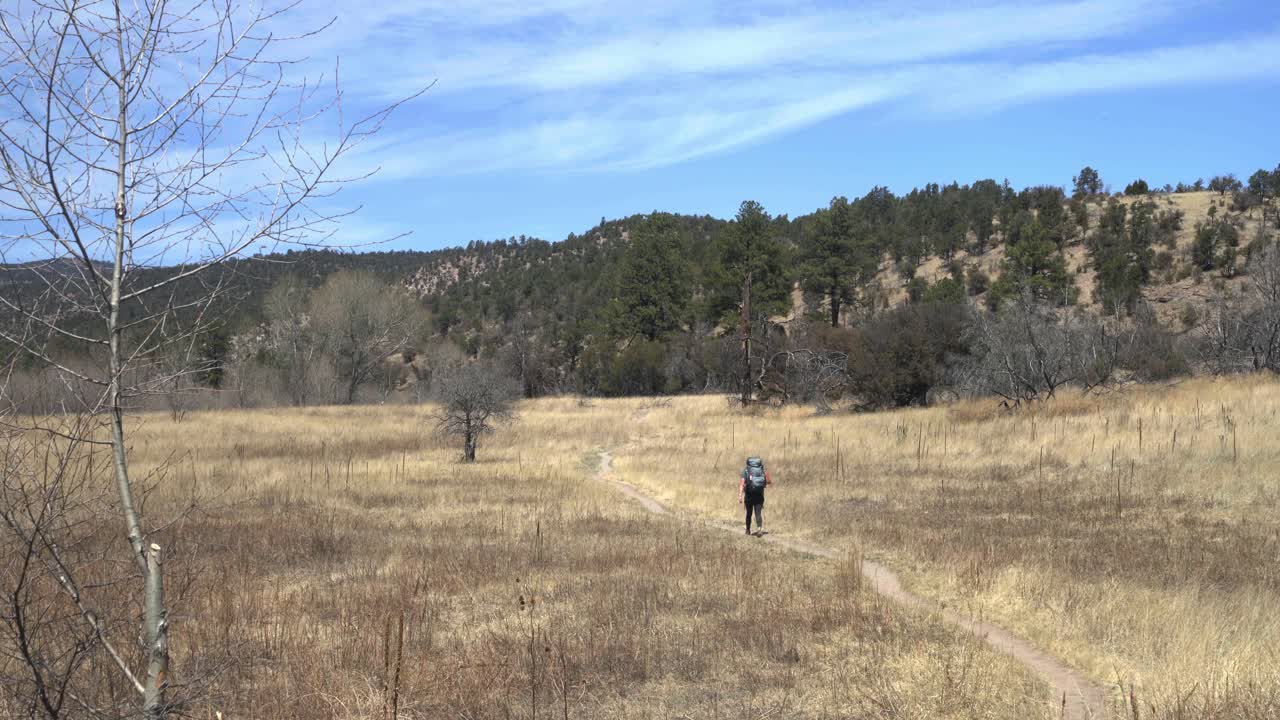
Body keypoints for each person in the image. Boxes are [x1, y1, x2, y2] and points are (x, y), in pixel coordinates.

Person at [738, 456, 772, 536]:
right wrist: (761, 482)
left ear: (748, 463)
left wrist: (740, 495)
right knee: (758, 513)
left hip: (749, 495)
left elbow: (742, 484)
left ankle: (748, 530)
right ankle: (759, 529)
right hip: (759, 495)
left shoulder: (746, 471)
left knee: (749, 513)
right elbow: (769, 481)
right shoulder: (762, 470)